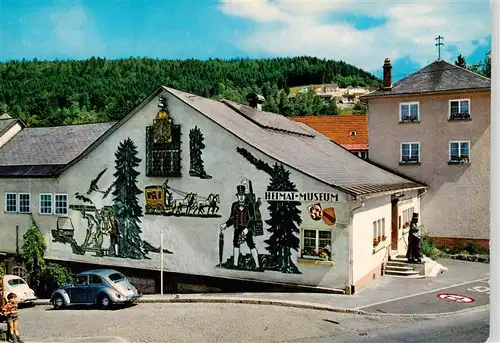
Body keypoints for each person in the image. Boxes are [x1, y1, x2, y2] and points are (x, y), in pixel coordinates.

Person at [219, 185, 261, 270]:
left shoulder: (249, 205)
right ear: (237, 196)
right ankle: (235, 264)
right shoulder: (234, 205)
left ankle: (257, 265)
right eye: (239, 195)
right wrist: (226, 224)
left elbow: (253, 219)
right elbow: (232, 218)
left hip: (247, 229)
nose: (241, 197)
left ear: (245, 196)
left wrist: (247, 228)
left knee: (251, 244)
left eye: (242, 195)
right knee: (236, 244)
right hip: (237, 228)